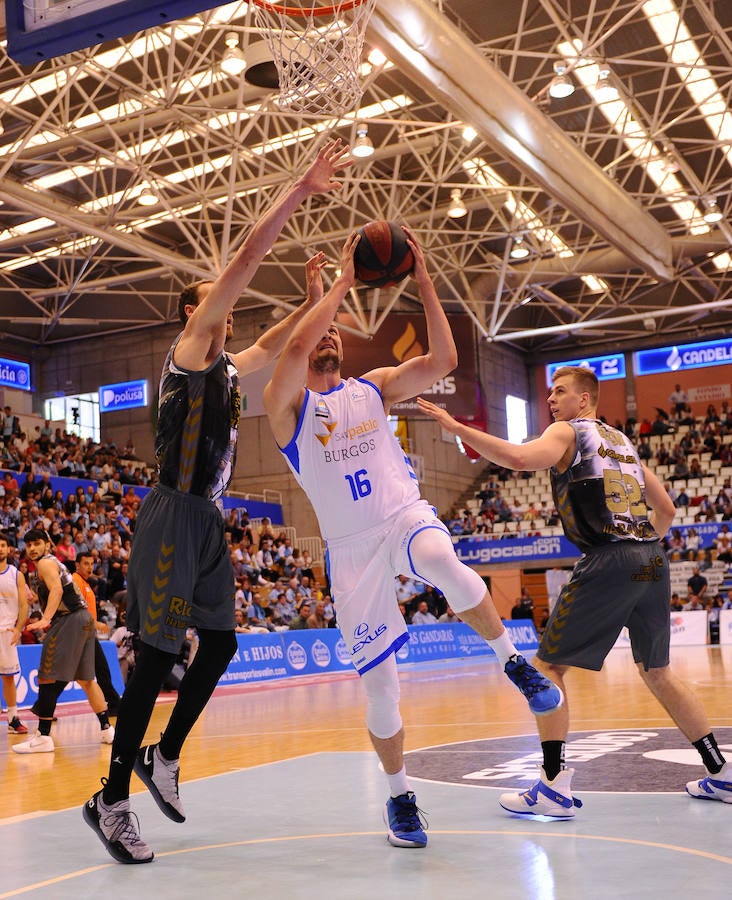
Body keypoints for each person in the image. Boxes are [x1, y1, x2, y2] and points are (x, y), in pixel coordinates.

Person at [83, 137, 353, 865]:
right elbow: (245, 264)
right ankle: (110, 801)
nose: (228, 310)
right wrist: (299, 190)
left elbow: (274, 345)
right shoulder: (191, 350)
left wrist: (317, 301)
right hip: (173, 511)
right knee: (155, 657)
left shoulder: (228, 366)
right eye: (217, 301)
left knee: (224, 643)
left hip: (207, 519)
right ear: (195, 312)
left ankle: (164, 753)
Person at [263, 229, 561, 850]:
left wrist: (424, 281)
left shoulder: (371, 387)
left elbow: (443, 361)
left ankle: (513, 662)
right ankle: (400, 798)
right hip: (350, 551)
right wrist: (338, 287)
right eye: (320, 331)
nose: (328, 336)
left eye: (336, 330)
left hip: (401, 515)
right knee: (382, 692)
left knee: (437, 556)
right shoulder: (286, 407)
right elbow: (292, 347)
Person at [418, 365, 731, 815]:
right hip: (651, 558)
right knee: (657, 671)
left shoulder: (568, 431)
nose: (550, 400)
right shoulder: (623, 443)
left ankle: (552, 786)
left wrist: (458, 428)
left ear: (583, 400)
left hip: (609, 558)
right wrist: (641, 547)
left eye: (559, 392)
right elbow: (665, 509)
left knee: (546, 667)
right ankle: (720, 772)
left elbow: (521, 459)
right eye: (550, 393)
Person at [13, 528, 113, 753]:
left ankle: (43, 736)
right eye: (29, 545)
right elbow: (60, 591)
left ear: (47, 544)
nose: (32, 548)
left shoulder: (44, 563)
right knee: (87, 680)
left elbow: (57, 590)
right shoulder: (52, 564)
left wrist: (45, 618)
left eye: (37, 543)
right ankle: (107, 729)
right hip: (83, 619)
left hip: (68, 620)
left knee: (46, 677)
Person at [74, 551, 122, 716]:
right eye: (85, 564)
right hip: (81, 634)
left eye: (91, 564)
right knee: (101, 670)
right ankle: (115, 704)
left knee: (101, 670)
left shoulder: (85, 583)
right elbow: (77, 611)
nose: (89, 567)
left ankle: (115, 703)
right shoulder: (76, 581)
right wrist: (96, 624)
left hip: (87, 634)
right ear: (77, 565)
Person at [0, 532, 29, 735]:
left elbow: (24, 605)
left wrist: (19, 628)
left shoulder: (16, 574)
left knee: (9, 677)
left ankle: (13, 718)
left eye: (3, 545)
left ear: (8, 549)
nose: (0, 549)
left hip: (7, 631)